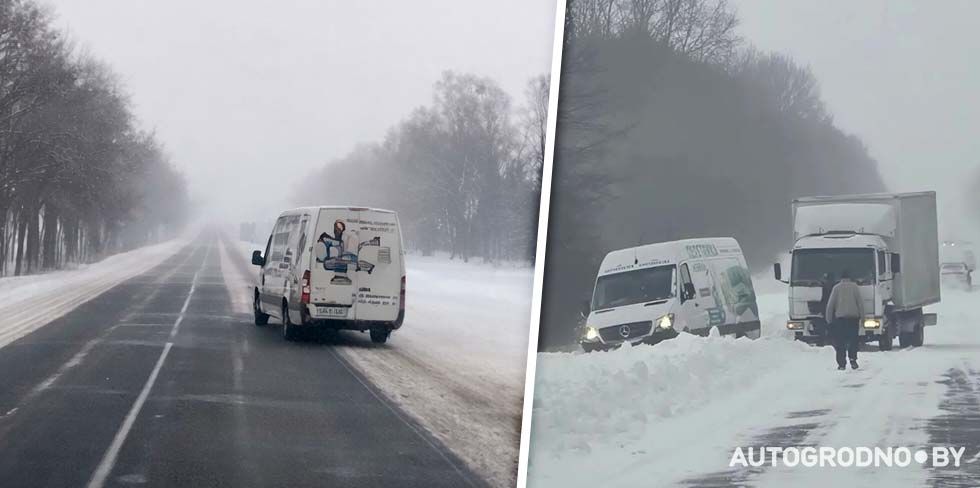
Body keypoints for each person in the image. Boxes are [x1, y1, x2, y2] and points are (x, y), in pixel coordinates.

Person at [825, 270, 864, 370]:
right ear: (850, 277)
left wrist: (829, 320)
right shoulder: (855, 287)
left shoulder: (836, 288)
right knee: (853, 340)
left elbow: (830, 306)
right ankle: (853, 359)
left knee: (840, 342)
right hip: (853, 319)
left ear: (841, 278)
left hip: (840, 320)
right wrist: (863, 318)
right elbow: (860, 303)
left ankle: (842, 364)